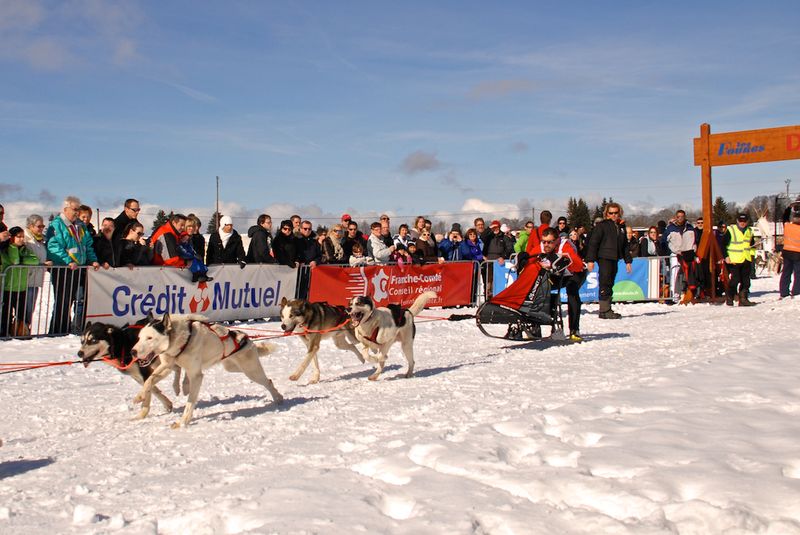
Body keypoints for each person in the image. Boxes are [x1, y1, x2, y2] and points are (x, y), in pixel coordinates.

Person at [46, 196, 100, 334]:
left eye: (78, 210)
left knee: (74, 300)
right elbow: (53, 246)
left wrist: (92, 260)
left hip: (78, 268)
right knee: (63, 301)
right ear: (65, 209)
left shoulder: (80, 226)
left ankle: (66, 330)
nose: (77, 212)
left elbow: (87, 245)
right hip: (63, 268)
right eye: (74, 209)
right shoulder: (57, 224)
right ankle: (57, 331)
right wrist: (67, 261)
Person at [584, 202, 632, 319]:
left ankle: (607, 308)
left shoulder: (621, 227)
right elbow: (593, 243)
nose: (613, 215)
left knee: (610, 282)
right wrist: (590, 260)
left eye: (616, 213)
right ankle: (604, 310)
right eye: (611, 213)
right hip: (604, 257)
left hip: (615, 257)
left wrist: (628, 261)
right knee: (605, 282)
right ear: (606, 214)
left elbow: (625, 245)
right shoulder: (602, 226)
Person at [538, 227, 586, 341]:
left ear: (556, 241)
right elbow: (530, 256)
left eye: (550, 242)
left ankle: (574, 330)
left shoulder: (564, 246)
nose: (546, 245)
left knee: (572, 291)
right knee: (540, 287)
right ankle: (538, 326)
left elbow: (577, 265)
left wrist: (560, 261)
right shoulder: (542, 246)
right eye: (544, 241)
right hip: (559, 273)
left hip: (575, 272)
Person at [1, 227, 40, 336]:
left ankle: (19, 333)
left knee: (21, 314)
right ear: (12, 237)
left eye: (23, 237)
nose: (22, 239)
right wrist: (13, 246)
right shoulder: (6, 249)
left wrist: (23, 260)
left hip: (22, 287)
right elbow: (14, 260)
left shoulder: (25, 249)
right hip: (8, 287)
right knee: (6, 313)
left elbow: (35, 260)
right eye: (19, 237)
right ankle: (5, 333)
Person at [661, 210, 697, 303]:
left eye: (682, 216)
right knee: (675, 274)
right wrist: (671, 250)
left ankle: (687, 293)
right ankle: (674, 295)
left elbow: (694, 240)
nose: (680, 218)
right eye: (678, 216)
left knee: (688, 274)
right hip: (675, 253)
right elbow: (664, 241)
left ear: (684, 217)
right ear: (676, 217)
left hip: (687, 253)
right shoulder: (670, 228)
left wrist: (693, 250)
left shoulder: (689, 227)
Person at [23, 214, 51, 328]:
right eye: (39, 226)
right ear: (30, 226)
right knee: (26, 307)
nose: (41, 228)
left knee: (31, 307)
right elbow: (27, 257)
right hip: (26, 278)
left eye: (42, 226)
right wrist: (42, 264)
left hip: (36, 278)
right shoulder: (26, 239)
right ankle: (21, 328)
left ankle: (26, 328)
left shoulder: (40, 240)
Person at [723, 213, 755, 306]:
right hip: (734, 260)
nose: (742, 223)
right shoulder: (731, 230)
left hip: (746, 259)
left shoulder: (749, 231)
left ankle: (743, 299)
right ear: (737, 221)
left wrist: (752, 256)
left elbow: (752, 245)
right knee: (735, 280)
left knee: (746, 281)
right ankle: (730, 296)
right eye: (740, 221)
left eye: (744, 221)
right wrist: (726, 256)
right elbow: (722, 244)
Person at [779, 200, 800, 299]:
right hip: (798, 254)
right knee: (798, 274)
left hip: (787, 253)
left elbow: (784, 217)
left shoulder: (787, 226)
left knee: (786, 273)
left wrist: (789, 207)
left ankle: (784, 292)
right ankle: (796, 291)